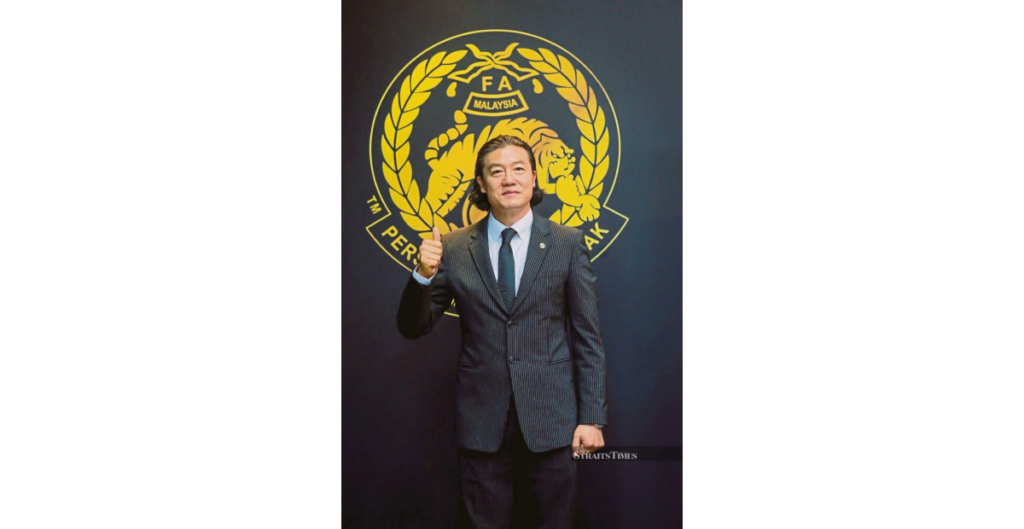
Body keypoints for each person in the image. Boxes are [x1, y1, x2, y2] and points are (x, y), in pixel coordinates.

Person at [397, 134, 608, 528]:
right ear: (481, 183)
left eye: (518, 169)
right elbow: (413, 326)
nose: (508, 179)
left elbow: (588, 337)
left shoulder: (567, 243)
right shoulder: (454, 248)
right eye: (496, 171)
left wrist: (592, 417)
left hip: (553, 419)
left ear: (533, 178)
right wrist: (423, 275)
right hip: (482, 422)